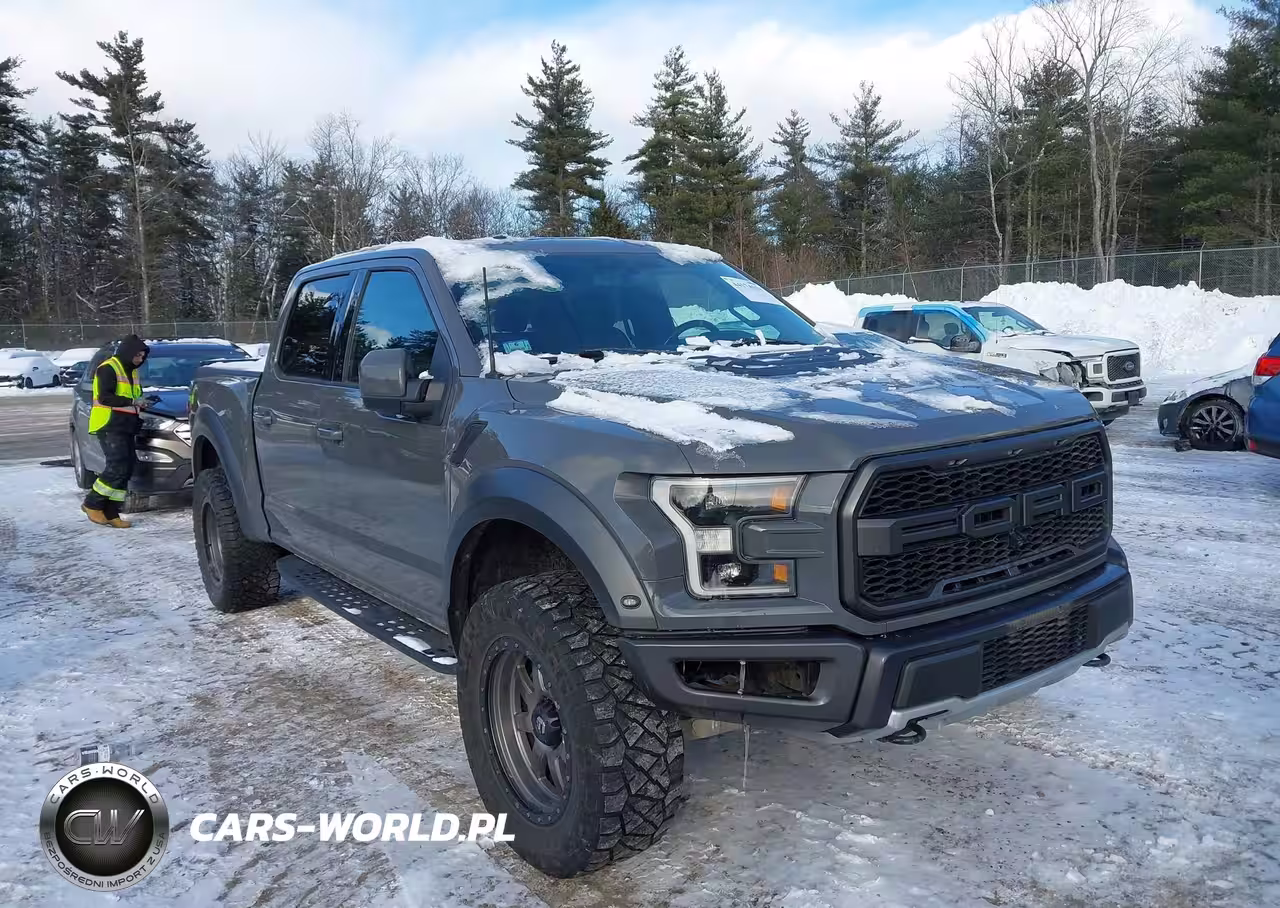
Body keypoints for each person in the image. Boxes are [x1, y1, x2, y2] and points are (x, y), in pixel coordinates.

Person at [81, 334, 150, 528]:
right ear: (127, 353)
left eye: (143, 356)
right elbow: (105, 398)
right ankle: (92, 504)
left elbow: (133, 397)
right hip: (109, 425)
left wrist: (142, 402)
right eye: (137, 355)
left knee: (127, 468)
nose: (140, 359)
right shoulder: (108, 368)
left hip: (126, 425)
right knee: (117, 466)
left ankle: (112, 512)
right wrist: (132, 402)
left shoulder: (132, 372)